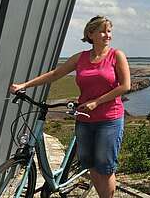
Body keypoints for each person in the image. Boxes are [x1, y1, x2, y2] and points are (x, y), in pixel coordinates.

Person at [10, 15, 130, 198]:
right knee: (90, 165)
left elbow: (125, 86)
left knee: (105, 168)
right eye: (103, 31)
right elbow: (55, 74)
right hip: (84, 119)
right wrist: (25, 85)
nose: (108, 35)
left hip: (109, 119)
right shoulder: (81, 58)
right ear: (91, 34)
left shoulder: (116, 55)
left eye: (109, 31)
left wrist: (97, 102)